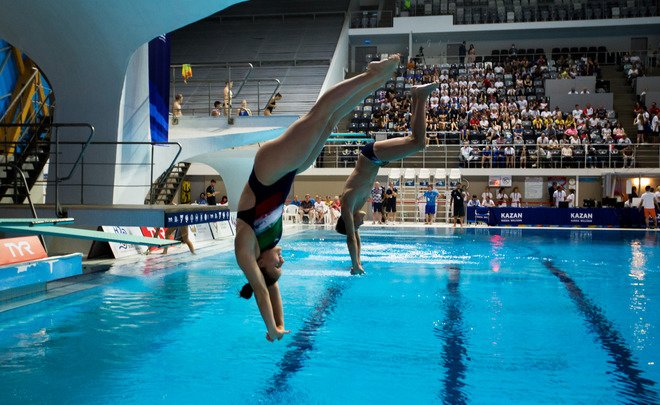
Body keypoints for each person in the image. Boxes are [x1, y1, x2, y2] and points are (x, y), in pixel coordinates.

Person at [235, 55, 400, 341]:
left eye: (277, 265)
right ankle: (377, 81)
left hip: (268, 172)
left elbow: (262, 289)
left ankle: (371, 74)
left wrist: (270, 329)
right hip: (289, 172)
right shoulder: (267, 248)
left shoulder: (245, 248)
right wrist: (280, 324)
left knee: (319, 114)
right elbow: (271, 286)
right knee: (331, 119)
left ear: (260, 265)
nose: (282, 261)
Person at [336, 81, 438, 274]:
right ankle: (416, 96)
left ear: (349, 221)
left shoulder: (347, 204)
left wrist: (355, 264)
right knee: (420, 141)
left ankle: (420, 96)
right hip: (376, 161)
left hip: (370, 156)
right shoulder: (353, 210)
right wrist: (357, 263)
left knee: (417, 142)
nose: (361, 224)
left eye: (357, 225)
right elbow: (356, 238)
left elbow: (351, 238)